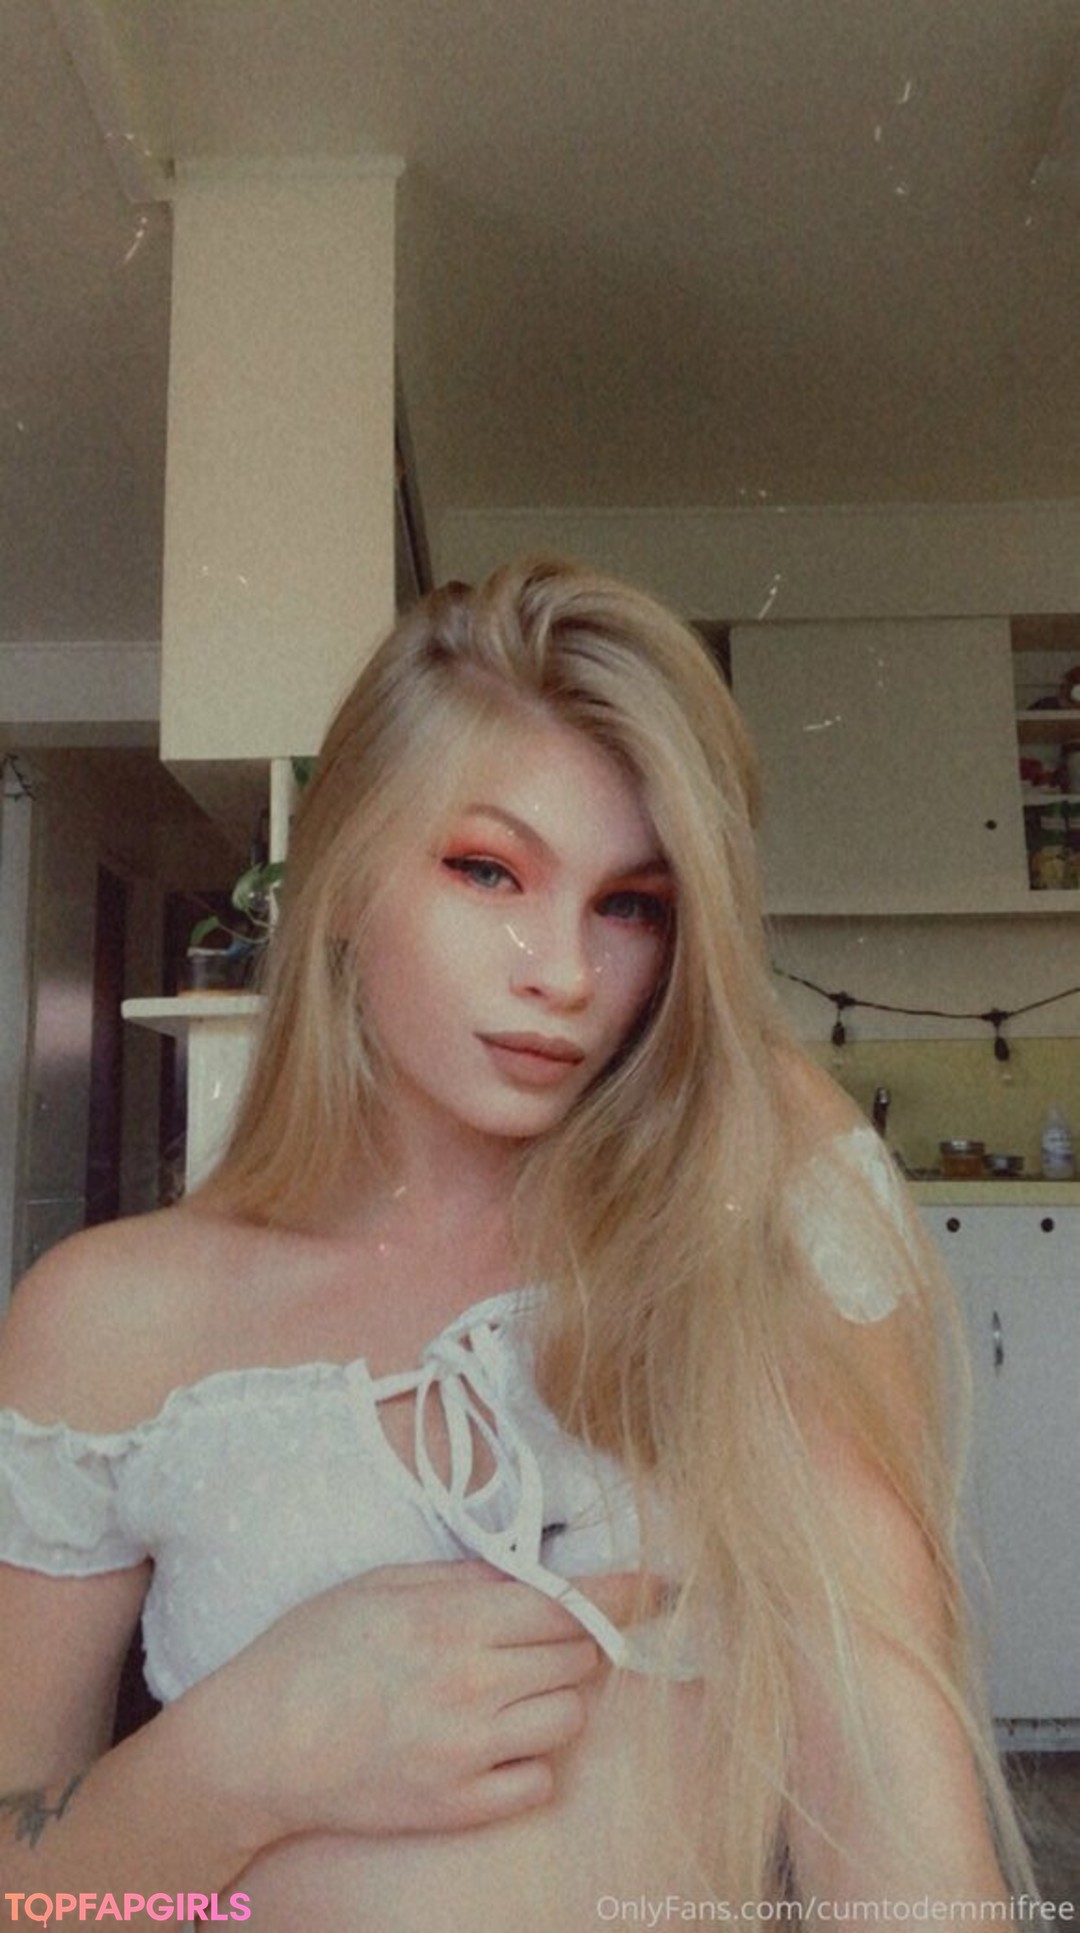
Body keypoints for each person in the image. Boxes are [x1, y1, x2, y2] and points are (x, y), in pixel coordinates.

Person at [0, 558, 1035, 1925]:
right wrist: (241, 1754)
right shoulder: (107, 1316)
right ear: (343, 874)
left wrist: (761, 1099)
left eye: (633, 904)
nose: (566, 971)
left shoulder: (752, 1252)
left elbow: (897, 1817)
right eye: (488, 869)